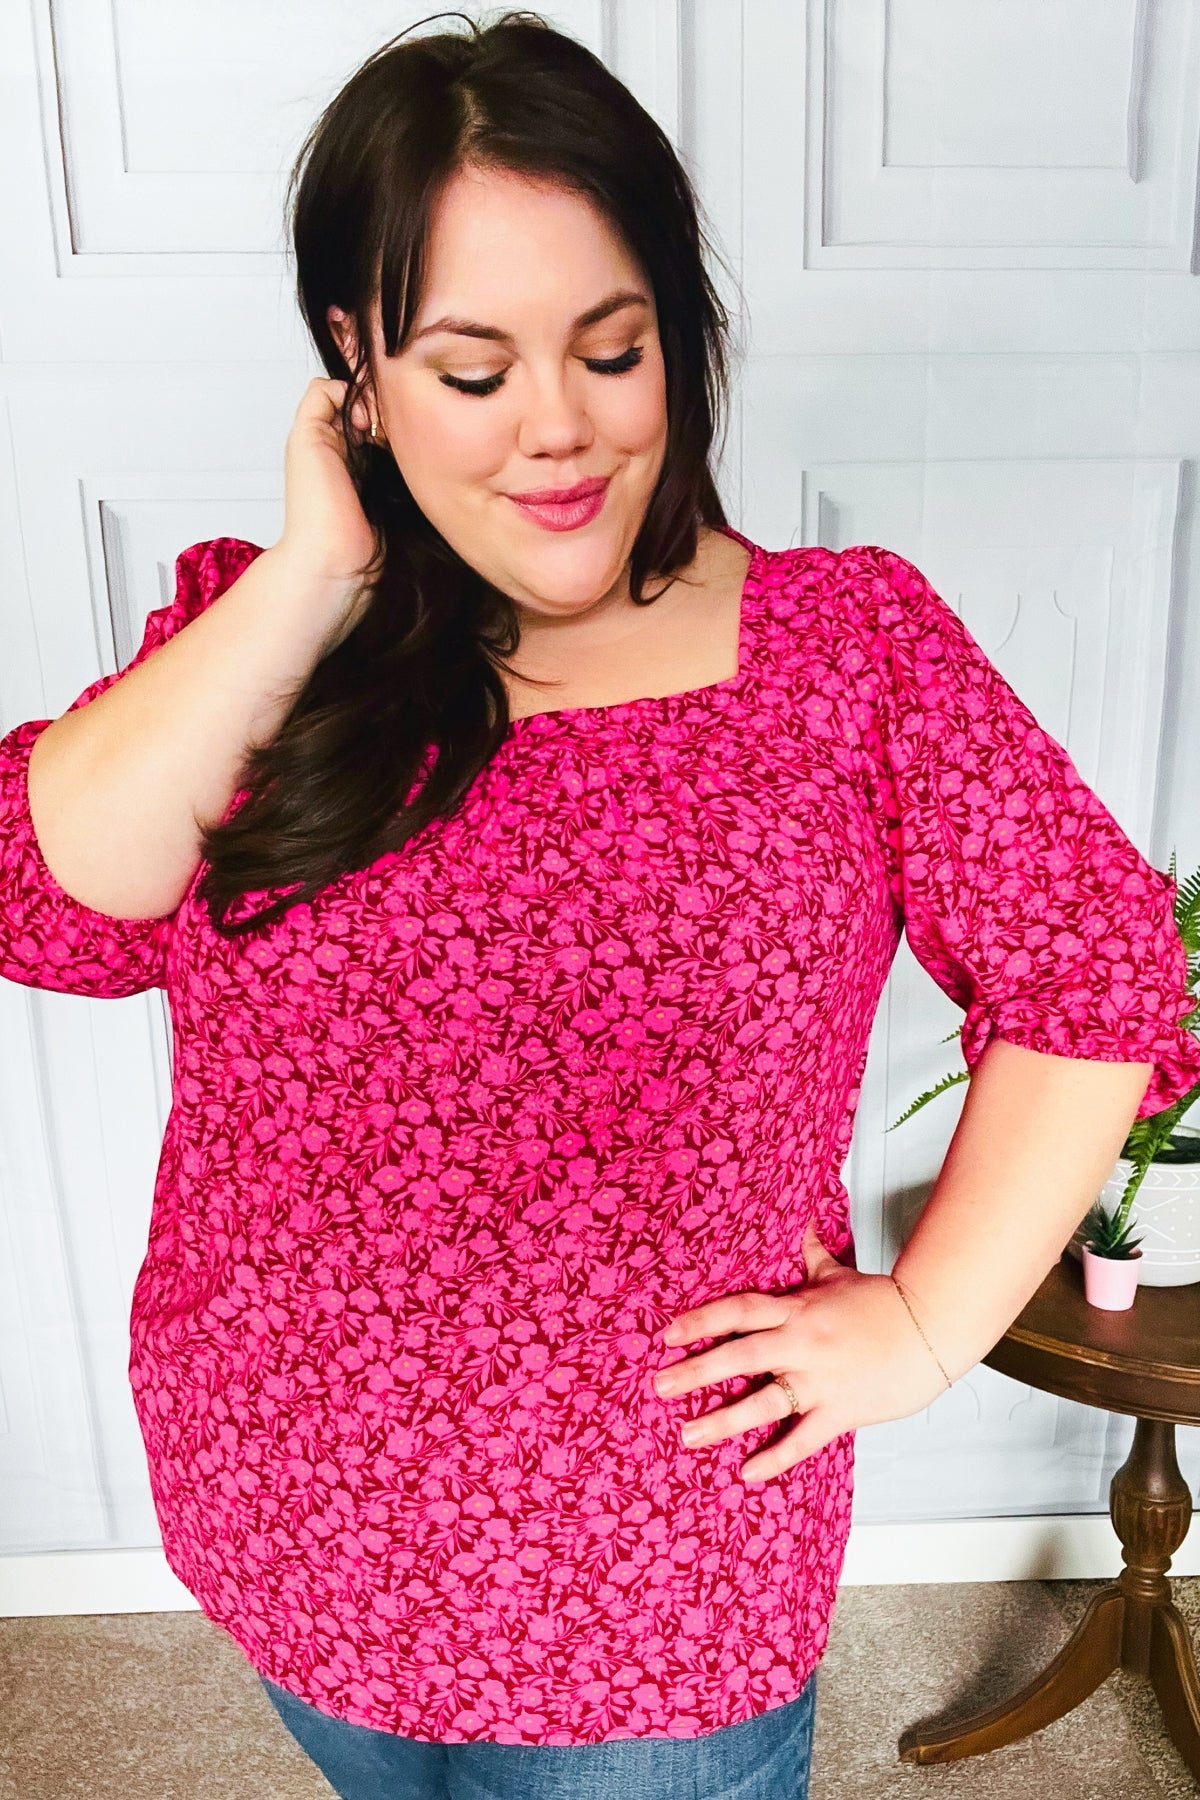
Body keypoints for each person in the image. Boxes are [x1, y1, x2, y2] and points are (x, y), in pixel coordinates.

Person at [4, 12, 1199, 1800]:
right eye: (469, 371)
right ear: (355, 366)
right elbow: (53, 895)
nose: (557, 430)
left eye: (612, 349)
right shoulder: (260, 641)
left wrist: (925, 1325)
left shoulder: (843, 652)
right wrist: (319, 568)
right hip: (286, 1519)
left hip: (656, 1590)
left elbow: (1093, 966)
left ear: (677, 341)